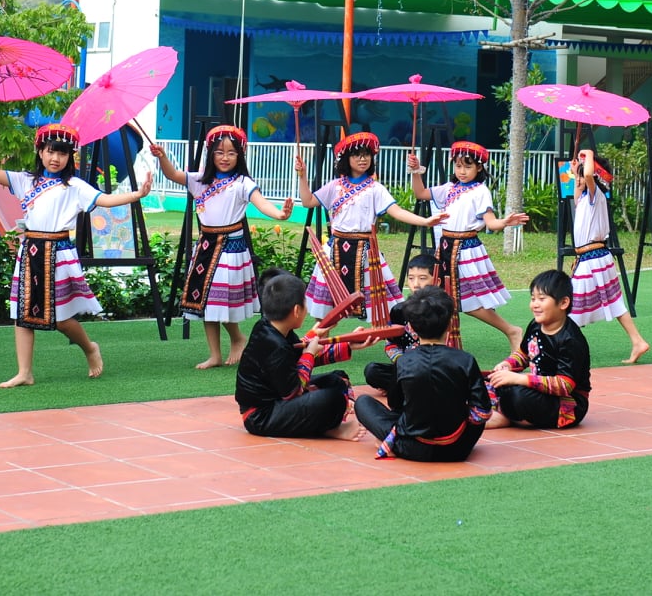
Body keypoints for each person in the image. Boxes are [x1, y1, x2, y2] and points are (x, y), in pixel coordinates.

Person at [0, 118, 151, 388]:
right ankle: (25, 372)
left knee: (61, 318)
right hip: (30, 252)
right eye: (50, 151)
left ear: (69, 156)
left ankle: (90, 348)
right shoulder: (25, 180)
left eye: (62, 153)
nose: (55, 158)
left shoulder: (75, 186)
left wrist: (136, 194)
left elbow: (105, 199)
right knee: (23, 315)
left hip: (59, 254)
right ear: (40, 152)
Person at [149, 125, 294, 369]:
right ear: (211, 154)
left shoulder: (243, 183)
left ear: (240, 155)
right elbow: (172, 174)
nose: (225, 158)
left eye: (231, 153)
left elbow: (262, 203)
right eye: (219, 152)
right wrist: (162, 157)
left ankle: (237, 338)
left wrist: (280, 214)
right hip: (206, 248)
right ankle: (215, 354)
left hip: (230, 250)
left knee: (220, 300)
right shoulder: (199, 180)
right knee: (206, 302)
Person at [294, 132, 446, 325]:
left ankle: (387, 339)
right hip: (335, 250)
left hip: (366, 252)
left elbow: (396, 211)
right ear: (346, 159)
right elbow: (308, 201)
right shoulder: (334, 186)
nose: (362, 159)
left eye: (366, 154)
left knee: (381, 307)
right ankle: (322, 340)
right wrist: (302, 176)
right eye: (356, 155)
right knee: (325, 308)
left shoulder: (376, 189)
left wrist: (425, 221)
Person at [407, 142, 528, 352]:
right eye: (458, 166)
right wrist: (416, 171)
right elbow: (421, 193)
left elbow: (491, 223)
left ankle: (511, 330)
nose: (462, 171)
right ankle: (438, 344)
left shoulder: (481, 191)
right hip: (445, 248)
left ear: (479, 167)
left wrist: (505, 222)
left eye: (468, 166)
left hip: (466, 250)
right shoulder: (448, 188)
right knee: (443, 298)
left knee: (469, 301)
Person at [353, 286, 493, 461]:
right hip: (458, 448)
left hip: (412, 447)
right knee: (474, 414)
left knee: (363, 402)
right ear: (450, 324)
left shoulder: (403, 361)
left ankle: (392, 440)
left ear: (411, 327)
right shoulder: (466, 360)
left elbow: (395, 404)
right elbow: (482, 412)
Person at [234, 269, 368, 439]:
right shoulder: (275, 345)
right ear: (297, 310)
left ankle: (323, 426)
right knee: (332, 399)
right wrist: (309, 354)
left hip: (279, 400)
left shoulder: (269, 327)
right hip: (261, 416)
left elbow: (298, 355)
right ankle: (329, 429)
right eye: (305, 302)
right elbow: (294, 391)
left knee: (336, 380)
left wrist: (348, 344)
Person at [568, 148, 650, 364]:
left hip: (593, 259)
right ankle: (638, 341)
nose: (579, 179)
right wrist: (576, 171)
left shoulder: (596, 195)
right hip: (594, 258)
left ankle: (564, 349)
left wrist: (587, 153)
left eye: (583, 175)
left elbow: (588, 175)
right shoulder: (584, 198)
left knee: (570, 304)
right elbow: (579, 188)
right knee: (613, 303)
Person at [486, 269, 592, 430]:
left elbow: (564, 385)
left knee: (518, 396)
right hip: (537, 390)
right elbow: (524, 354)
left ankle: (503, 414)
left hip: (566, 403)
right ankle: (507, 413)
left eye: (542, 299)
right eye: (533, 298)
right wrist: (507, 365)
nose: (535, 304)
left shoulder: (571, 340)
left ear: (563, 303)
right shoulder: (535, 325)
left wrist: (520, 379)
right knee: (489, 380)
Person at [361, 254, 434, 399]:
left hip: (433, 368)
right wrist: (402, 361)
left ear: (436, 280)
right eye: (411, 278)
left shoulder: (442, 310)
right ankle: (407, 388)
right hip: (405, 368)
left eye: (422, 278)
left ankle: (401, 389)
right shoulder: (399, 310)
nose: (416, 284)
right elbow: (391, 344)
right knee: (372, 371)